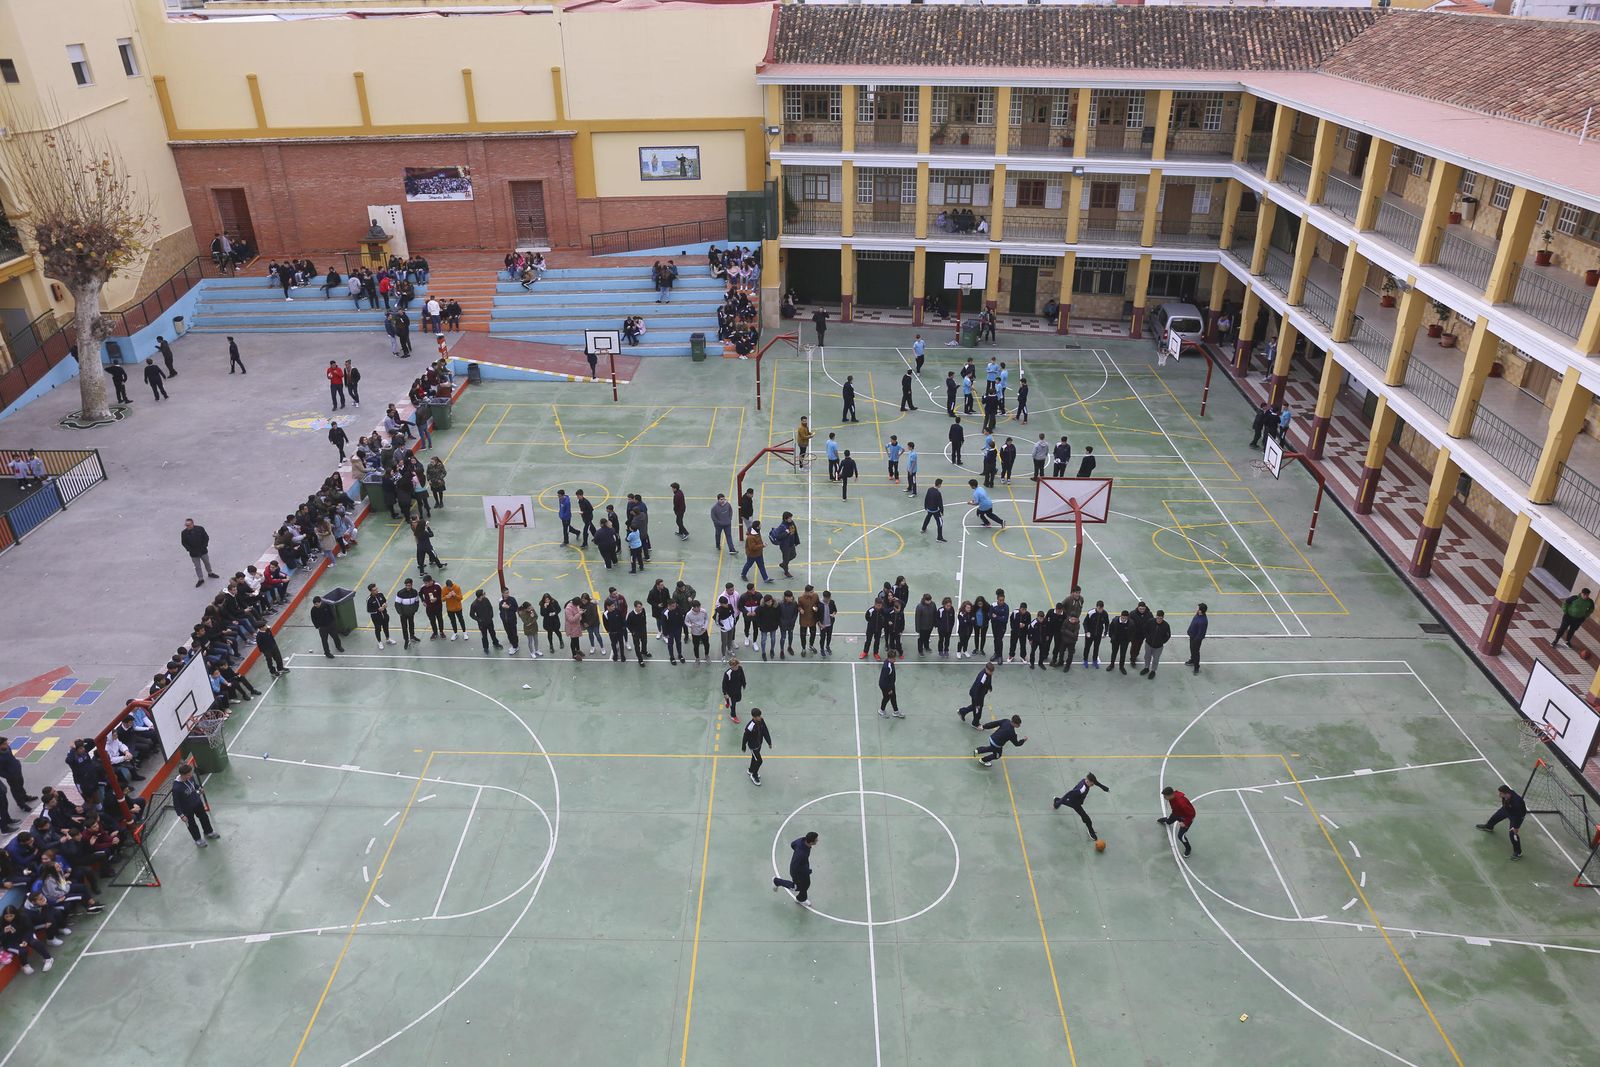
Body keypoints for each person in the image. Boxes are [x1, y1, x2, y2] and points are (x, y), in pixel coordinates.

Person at [1053, 773, 1110, 842]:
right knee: (1087, 819)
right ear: (1088, 781)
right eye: (1092, 784)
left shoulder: (1085, 780)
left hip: (1076, 800)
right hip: (1075, 803)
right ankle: (1091, 832)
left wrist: (1105, 788)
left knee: (1067, 802)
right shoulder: (1082, 789)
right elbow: (1069, 793)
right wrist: (1058, 804)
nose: (1092, 785)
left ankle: (1057, 800)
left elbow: (1096, 783)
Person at [173, 763, 220, 848]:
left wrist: (199, 788)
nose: (191, 775)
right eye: (189, 774)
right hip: (186, 809)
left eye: (191, 773)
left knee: (204, 817)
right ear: (183, 775)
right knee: (191, 824)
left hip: (197, 803)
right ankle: (197, 839)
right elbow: (176, 803)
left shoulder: (190, 777)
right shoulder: (177, 788)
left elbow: (194, 785)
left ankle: (208, 832)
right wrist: (181, 815)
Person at [1476, 784, 1528, 860]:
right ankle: (1489, 827)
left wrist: (1516, 827)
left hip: (1516, 816)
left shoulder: (1517, 802)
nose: (1499, 795)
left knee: (1512, 833)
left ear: (1506, 793)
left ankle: (1518, 852)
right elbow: (1504, 804)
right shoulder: (1506, 796)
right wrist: (1504, 808)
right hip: (1507, 809)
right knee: (1494, 817)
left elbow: (1520, 815)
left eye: (1501, 793)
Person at [772, 830, 818, 907]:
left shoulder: (802, 840)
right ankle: (776, 881)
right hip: (797, 873)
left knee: (806, 885)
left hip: (804, 869)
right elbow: (795, 866)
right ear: (811, 842)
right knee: (796, 887)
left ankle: (801, 899)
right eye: (816, 840)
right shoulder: (801, 854)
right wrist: (806, 871)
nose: (817, 841)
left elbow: (793, 844)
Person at [181, 518, 219, 588]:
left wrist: (205, 545)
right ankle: (200, 579)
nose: (187, 527)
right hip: (194, 553)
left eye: (188, 525)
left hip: (203, 550)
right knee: (197, 566)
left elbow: (206, 537)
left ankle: (210, 573)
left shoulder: (200, 529)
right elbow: (184, 542)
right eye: (186, 525)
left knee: (207, 562)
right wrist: (189, 549)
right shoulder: (184, 533)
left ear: (192, 524)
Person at [1158, 785, 1196, 856]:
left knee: (1180, 836)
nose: (1164, 798)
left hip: (1185, 818)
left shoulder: (1181, 803)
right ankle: (1167, 820)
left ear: (1170, 795)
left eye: (1165, 796)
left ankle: (1188, 848)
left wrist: (1185, 823)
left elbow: (1192, 814)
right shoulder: (1172, 798)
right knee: (1169, 821)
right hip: (1176, 813)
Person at [957, 661, 996, 728]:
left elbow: (989, 680)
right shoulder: (982, 677)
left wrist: (989, 687)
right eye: (991, 671)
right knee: (978, 709)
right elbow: (976, 689)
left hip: (981, 694)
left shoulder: (988, 673)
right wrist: (976, 700)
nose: (992, 673)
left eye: (992, 672)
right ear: (986, 669)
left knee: (975, 706)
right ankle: (975, 723)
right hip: (977, 695)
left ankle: (962, 711)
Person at [742, 707, 773, 786]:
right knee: (759, 761)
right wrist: (743, 745)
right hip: (753, 747)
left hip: (759, 744)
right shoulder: (750, 726)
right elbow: (745, 736)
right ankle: (754, 775)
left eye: (760, 715)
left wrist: (769, 742)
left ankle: (750, 770)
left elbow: (765, 731)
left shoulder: (761, 721)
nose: (760, 717)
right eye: (758, 716)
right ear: (753, 717)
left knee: (754, 758)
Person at [1141, 609, 1172, 679]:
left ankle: (1153, 671)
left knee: (1156, 659)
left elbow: (1168, 635)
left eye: (1161, 618)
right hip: (1148, 644)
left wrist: (1162, 641)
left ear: (1163, 618)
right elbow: (1145, 629)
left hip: (1158, 647)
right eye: (1158, 618)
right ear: (1156, 616)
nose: (1159, 620)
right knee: (1147, 657)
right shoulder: (1150, 621)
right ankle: (1146, 667)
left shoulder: (1166, 625)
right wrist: (1147, 637)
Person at [470, 589, 502, 654]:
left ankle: (496, 643)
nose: (485, 594)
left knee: (492, 633)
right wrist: (479, 620)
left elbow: (490, 608)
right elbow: (471, 615)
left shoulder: (486, 600)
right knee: (484, 636)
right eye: (483, 593)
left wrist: (491, 616)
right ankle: (486, 648)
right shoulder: (474, 605)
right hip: (482, 624)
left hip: (489, 621)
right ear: (481, 595)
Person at [1184, 604, 1208, 674]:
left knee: (1196, 652)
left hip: (1196, 639)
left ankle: (1196, 667)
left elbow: (1201, 633)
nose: (1197, 609)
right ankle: (1192, 660)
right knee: (1192, 649)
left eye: (1198, 608)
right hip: (1192, 636)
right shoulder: (1198, 614)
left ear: (1201, 610)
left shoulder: (1203, 621)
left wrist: (1196, 640)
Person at [1106, 609, 1131, 674]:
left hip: (1124, 642)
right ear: (1121, 616)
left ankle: (1121, 667)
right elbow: (1110, 629)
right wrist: (1112, 637)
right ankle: (1112, 665)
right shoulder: (1115, 621)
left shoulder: (1131, 623)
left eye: (1125, 618)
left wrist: (1128, 640)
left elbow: (1132, 632)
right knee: (1114, 653)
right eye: (1123, 618)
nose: (1124, 620)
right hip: (1115, 641)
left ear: (1127, 617)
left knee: (1123, 654)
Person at [722, 657, 747, 724]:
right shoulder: (728, 673)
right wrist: (725, 693)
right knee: (733, 704)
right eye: (734, 667)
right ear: (731, 666)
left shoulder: (740, 668)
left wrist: (744, 683)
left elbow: (742, 676)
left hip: (738, 689)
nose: (736, 668)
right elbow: (724, 684)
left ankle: (727, 701)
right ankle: (733, 715)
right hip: (730, 691)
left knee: (738, 699)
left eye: (737, 666)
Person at [878, 651, 903, 717]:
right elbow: (885, 680)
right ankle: (881, 710)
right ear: (890, 658)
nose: (895, 660)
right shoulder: (887, 668)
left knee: (893, 697)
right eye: (894, 658)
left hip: (890, 684)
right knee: (887, 697)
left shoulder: (889, 662)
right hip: (885, 685)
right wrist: (889, 690)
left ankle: (896, 711)